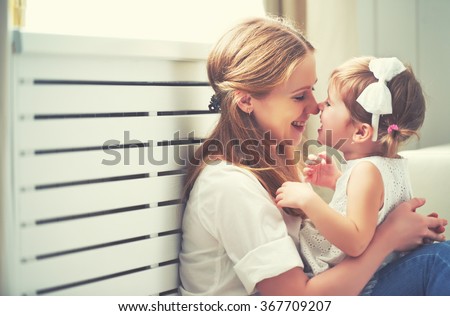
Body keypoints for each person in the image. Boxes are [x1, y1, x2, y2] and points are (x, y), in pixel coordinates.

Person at [178, 16, 449, 296]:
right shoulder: (230, 186)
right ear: (246, 100)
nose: (315, 106)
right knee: (438, 262)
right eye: (299, 96)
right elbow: (297, 301)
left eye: (313, 90)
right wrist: (389, 237)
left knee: (439, 257)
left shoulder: (278, 164)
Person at [275, 57, 429, 286]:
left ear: (360, 132)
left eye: (329, 103)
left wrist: (310, 201)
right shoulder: (384, 165)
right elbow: (374, 213)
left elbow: (356, 242)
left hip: (361, 285)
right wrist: (339, 182)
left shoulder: (366, 172)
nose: (319, 107)